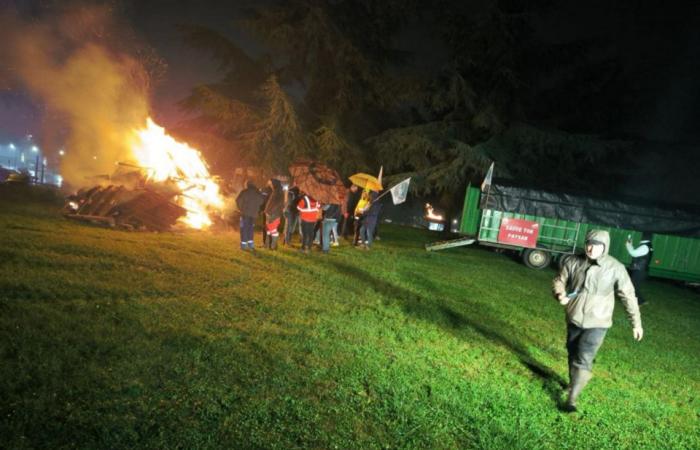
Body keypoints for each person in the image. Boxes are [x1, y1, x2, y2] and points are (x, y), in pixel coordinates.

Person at [552, 229, 643, 412]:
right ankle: (573, 383)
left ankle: (572, 399)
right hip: (574, 318)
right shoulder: (573, 261)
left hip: (598, 322)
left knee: (584, 357)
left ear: (605, 247)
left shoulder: (615, 268)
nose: (591, 248)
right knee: (572, 352)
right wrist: (560, 293)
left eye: (597, 245)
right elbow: (559, 280)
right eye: (589, 244)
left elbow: (628, 296)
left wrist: (636, 323)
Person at [235, 181, 265, 251]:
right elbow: (261, 202)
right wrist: (256, 209)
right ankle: (251, 245)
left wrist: (241, 209)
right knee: (250, 229)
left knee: (244, 229)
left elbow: (238, 200)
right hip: (254, 214)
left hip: (245, 214)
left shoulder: (245, 192)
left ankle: (244, 246)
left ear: (247, 185)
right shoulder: (258, 192)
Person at [625, 233, 653, 306]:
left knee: (633, 286)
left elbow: (633, 253)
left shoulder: (644, 246)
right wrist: (630, 245)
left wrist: (628, 244)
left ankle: (639, 301)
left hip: (640, 270)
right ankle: (640, 301)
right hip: (642, 270)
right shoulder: (648, 246)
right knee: (634, 286)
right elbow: (637, 253)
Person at [263, 178, 285, 250]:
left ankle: (273, 247)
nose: (270, 185)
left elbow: (278, 204)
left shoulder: (278, 192)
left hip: (273, 214)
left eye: (271, 184)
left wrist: (270, 212)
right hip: (271, 213)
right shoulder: (275, 191)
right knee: (268, 230)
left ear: (275, 184)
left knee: (273, 230)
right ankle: (267, 245)